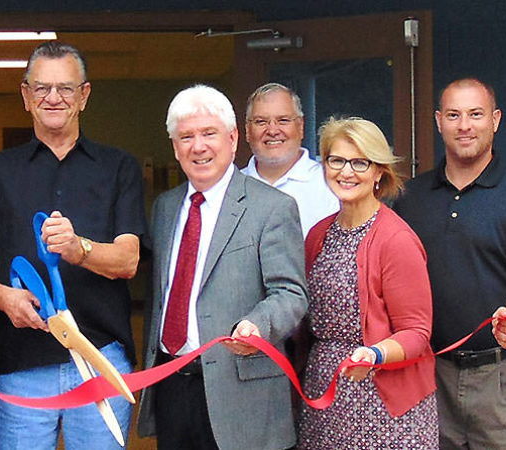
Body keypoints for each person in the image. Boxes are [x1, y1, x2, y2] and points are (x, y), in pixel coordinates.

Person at [0, 41, 146, 450]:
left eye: (65, 88)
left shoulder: (119, 167)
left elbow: (129, 259)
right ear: (26, 96)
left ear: (84, 96)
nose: (53, 97)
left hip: (100, 356)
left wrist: (79, 248)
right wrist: (3, 297)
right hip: (20, 362)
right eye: (41, 88)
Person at [392, 78, 506, 449]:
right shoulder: (409, 198)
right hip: (430, 375)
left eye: (475, 114)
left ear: (496, 120)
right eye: (453, 115)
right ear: (438, 121)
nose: (464, 125)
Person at [136, 85, 308, 450]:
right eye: (186, 137)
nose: (198, 146)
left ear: (232, 139)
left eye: (209, 133)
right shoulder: (165, 208)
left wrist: (258, 325)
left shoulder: (272, 207)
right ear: (175, 147)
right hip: (172, 385)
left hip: (241, 390)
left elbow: (291, 293)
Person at [297, 117, 437, 449]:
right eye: (337, 160)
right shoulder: (319, 234)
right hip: (325, 393)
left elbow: (417, 332)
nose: (346, 172)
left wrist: (374, 354)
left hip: (384, 400)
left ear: (378, 172)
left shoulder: (396, 239)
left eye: (360, 162)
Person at [239, 83, 339, 236]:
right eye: (261, 122)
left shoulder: (332, 185)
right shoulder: (231, 188)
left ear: (300, 127)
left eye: (283, 120)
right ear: (247, 130)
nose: (272, 130)